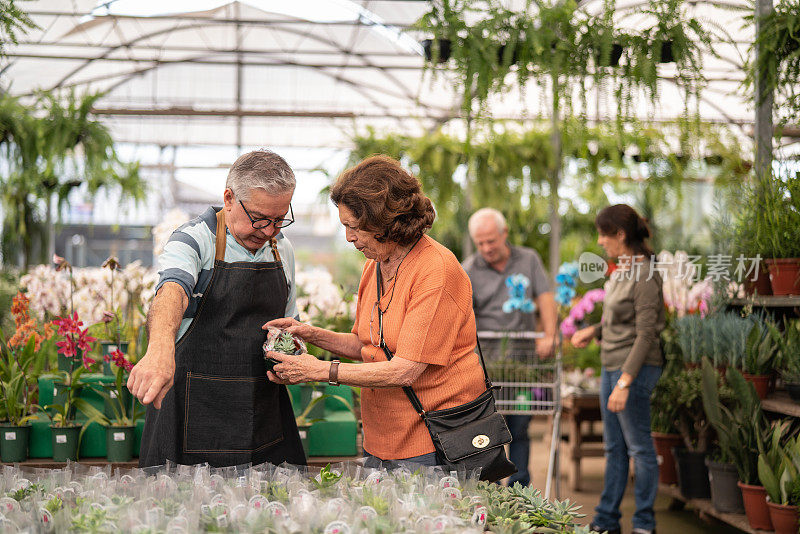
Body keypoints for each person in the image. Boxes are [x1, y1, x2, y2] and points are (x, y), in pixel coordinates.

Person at [264, 155, 487, 467]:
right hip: (381, 437)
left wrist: (319, 371)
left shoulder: (435, 269)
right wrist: (310, 333)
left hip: (432, 438)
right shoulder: (376, 264)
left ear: (385, 222)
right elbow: (365, 345)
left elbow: (405, 370)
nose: (349, 237)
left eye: (353, 227)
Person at [129, 149, 306, 468]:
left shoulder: (283, 250)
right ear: (228, 198)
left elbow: (287, 325)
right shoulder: (194, 241)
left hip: (261, 415)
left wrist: (292, 358)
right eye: (260, 219)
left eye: (279, 220)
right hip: (191, 416)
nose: (268, 232)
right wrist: (159, 350)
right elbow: (172, 290)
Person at [571, 204, 665, 534]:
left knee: (640, 448)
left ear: (620, 235)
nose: (599, 241)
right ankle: (607, 519)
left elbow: (646, 332)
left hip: (635, 369)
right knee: (615, 449)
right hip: (612, 365)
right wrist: (593, 330)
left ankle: (644, 524)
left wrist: (626, 382)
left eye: (603, 234)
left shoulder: (645, 273)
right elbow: (618, 319)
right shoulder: (623, 269)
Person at [462, 208, 557, 486]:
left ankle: (520, 490)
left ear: (504, 234)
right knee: (488, 432)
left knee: (520, 428)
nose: (486, 248)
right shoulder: (468, 269)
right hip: (487, 366)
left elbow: (546, 296)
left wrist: (548, 334)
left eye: (491, 240)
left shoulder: (528, 259)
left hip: (523, 363)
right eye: (480, 243)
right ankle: (492, 489)